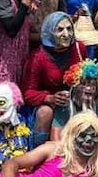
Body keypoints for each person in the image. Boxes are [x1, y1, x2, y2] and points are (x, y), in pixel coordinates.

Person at [21, 12, 88, 145]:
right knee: (45, 113)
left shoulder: (79, 48)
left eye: (69, 29)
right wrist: (50, 98)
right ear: (50, 32)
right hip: (47, 103)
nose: (66, 34)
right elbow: (27, 93)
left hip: (73, 99)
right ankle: (39, 151)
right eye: (60, 29)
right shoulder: (38, 57)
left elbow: (86, 73)